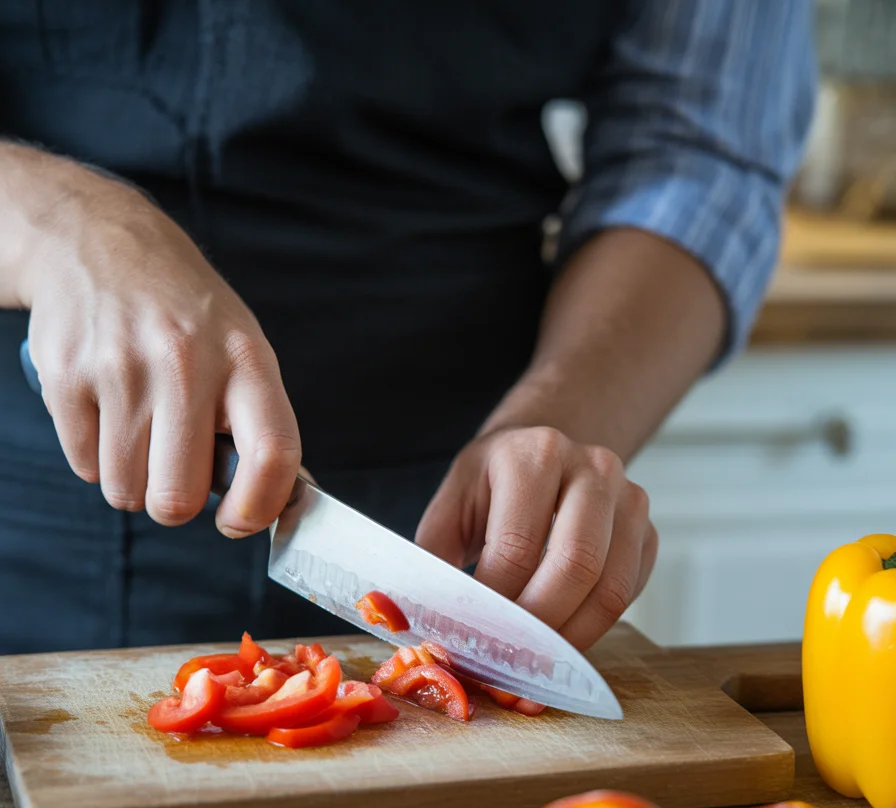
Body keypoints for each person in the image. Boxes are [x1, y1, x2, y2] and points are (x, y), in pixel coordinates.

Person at [0, 1, 815, 656]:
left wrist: (563, 422)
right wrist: (61, 225)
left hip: (463, 501)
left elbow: (696, 154)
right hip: (31, 506)